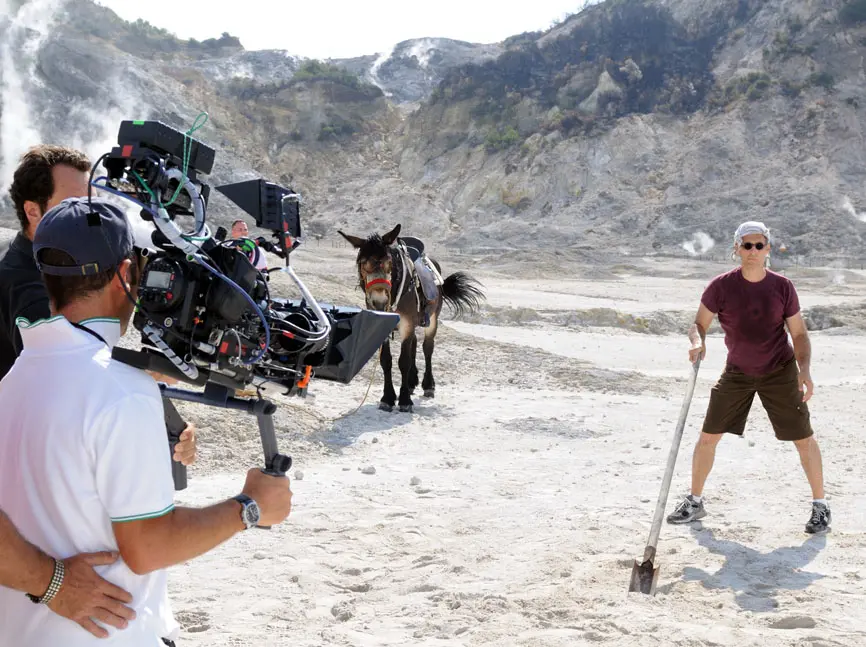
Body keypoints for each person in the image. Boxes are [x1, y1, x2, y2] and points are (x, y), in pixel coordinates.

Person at [0, 196, 294, 646]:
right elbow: (149, 547)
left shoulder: (17, 375)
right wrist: (249, 507)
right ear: (125, 273)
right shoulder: (121, 392)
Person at [666, 221, 829, 534]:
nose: (753, 251)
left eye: (759, 245)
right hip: (737, 372)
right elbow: (698, 324)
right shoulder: (720, 286)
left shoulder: (783, 287)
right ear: (737, 249)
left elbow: (798, 333)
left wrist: (805, 370)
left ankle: (821, 506)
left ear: (767, 249)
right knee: (708, 436)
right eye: (746, 245)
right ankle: (695, 501)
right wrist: (698, 342)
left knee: (803, 438)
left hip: (779, 371)